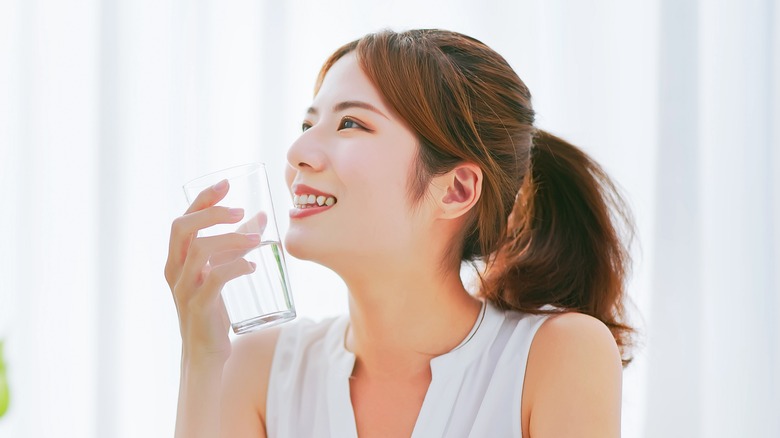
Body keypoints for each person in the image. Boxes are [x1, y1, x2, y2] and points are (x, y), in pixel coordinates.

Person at [165, 29, 635, 437]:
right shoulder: (257, 369)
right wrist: (202, 358)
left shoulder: (555, 355)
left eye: (351, 123)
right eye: (308, 123)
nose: (298, 150)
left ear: (455, 190)